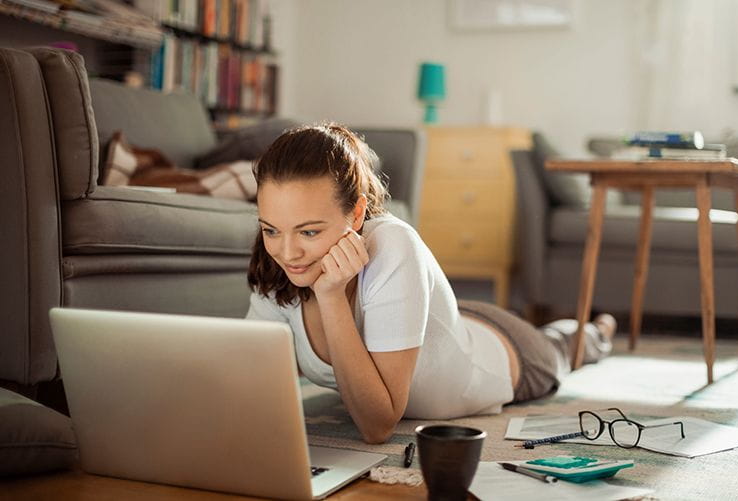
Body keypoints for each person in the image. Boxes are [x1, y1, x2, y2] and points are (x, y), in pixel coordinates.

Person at [245, 123, 615, 444]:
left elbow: (378, 426)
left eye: (309, 231)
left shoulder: (392, 246)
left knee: (567, 347)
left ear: (356, 213)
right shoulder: (276, 264)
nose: (288, 252)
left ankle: (598, 329)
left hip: (505, 352)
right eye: (271, 230)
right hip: (440, 322)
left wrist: (331, 298)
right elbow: (248, 385)